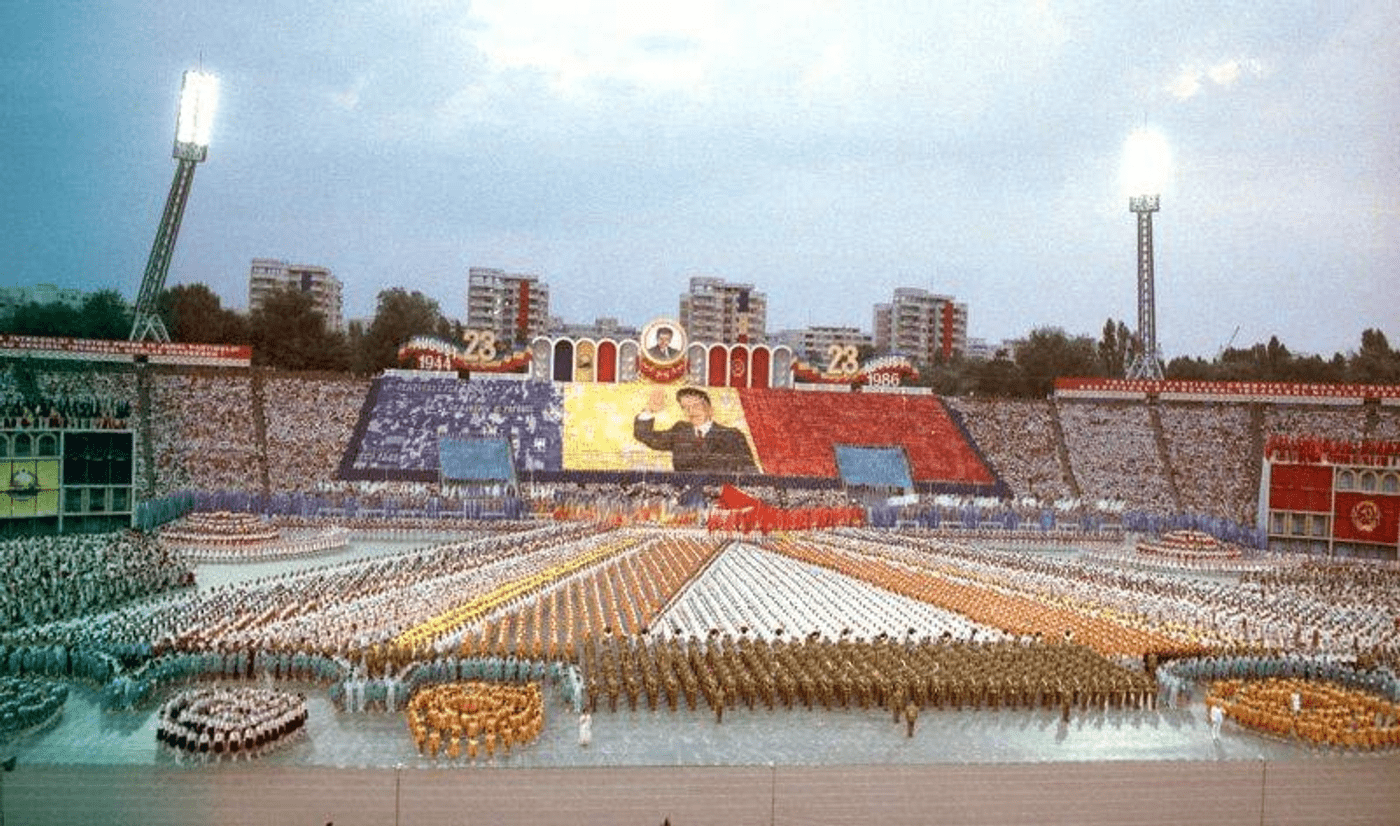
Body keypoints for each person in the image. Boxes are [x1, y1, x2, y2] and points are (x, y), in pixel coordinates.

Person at [634, 386, 757, 474]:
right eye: (685, 408)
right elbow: (645, 435)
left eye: (696, 406)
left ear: (710, 409)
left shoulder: (732, 435)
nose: (691, 412)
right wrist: (649, 410)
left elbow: (750, 472)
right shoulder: (680, 431)